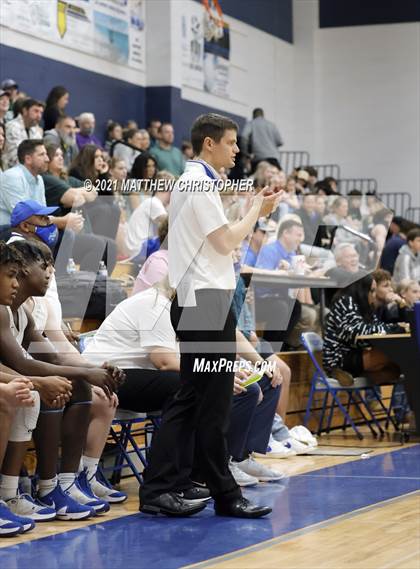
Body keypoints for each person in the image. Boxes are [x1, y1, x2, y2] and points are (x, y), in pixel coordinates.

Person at [139, 112, 280, 518]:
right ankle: (218, 492)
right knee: (208, 402)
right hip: (202, 304)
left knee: (195, 399)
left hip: (203, 302)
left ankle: (174, 484)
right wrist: (255, 211)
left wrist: (252, 211)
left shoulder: (199, 182)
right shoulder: (198, 183)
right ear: (209, 143)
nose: (237, 149)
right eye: (231, 142)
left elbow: (218, 239)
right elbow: (225, 242)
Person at [323, 274, 403, 386]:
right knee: (395, 356)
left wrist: (395, 327)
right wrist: (392, 328)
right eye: (372, 291)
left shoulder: (365, 306)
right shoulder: (345, 301)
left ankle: (364, 384)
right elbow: (356, 332)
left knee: (395, 369)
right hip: (340, 358)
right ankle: (339, 373)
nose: (374, 295)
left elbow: (376, 326)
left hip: (357, 352)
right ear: (362, 290)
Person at [69, 144, 121, 240]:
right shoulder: (77, 172)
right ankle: (100, 243)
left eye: (101, 157)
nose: (100, 160)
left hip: (98, 209)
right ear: (88, 158)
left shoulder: (98, 174)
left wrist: (103, 175)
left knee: (115, 209)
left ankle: (109, 243)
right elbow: (90, 199)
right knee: (104, 209)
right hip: (82, 212)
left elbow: (109, 199)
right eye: (96, 157)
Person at [124, 184, 169, 258]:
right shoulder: (154, 202)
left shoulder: (152, 201)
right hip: (140, 249)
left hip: (139, 248)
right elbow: (170, 223)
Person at [3, 99, 44, 169]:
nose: (39, 116)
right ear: (25, 111)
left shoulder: (35, 130)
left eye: (41, 113)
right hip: (11, 169)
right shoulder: (12, 127)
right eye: (36, 111)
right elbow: (15, 158)